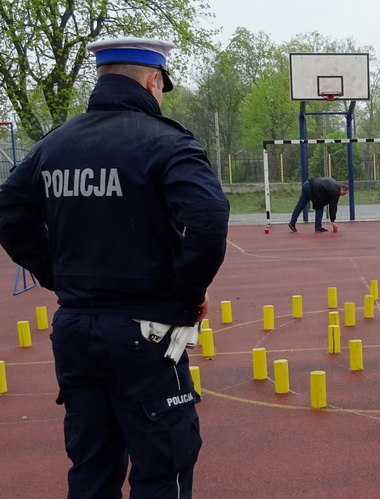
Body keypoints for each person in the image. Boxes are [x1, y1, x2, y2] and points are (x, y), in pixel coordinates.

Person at [0, 37, 229, 498]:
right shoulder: (166, 141)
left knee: (92, 466)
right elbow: (207, 218)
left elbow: (9, 210)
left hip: (75, 328)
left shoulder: (54, 144)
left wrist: (56, 274)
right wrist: (184, 296)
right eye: (162, 86)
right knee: (163, 465)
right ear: (152, 80)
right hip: (145, 331)